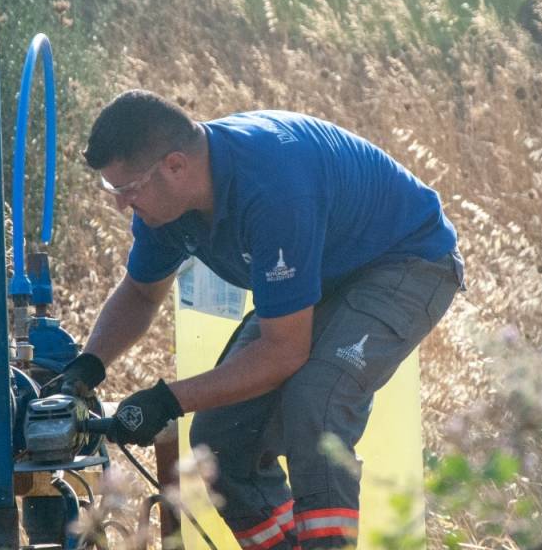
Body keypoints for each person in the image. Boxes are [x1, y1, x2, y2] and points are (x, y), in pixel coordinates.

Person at [59, 89, 464, 549]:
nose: (119, 205)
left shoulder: (273, 187)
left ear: (175, 166)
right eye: (112, 191)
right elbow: (139, 292)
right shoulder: (165, 208)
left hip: (406, 260)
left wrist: (166, 400)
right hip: (326, 270)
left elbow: (283, 352)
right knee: (218, 439)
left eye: (127, 189)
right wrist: (86, 368)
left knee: (316, 403)